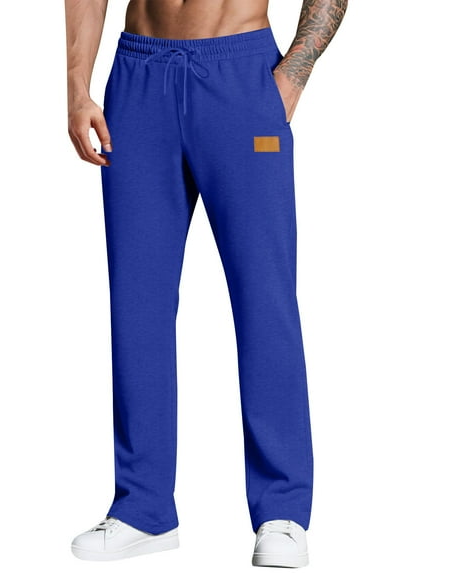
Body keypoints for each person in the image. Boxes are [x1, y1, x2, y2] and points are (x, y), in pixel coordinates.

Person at [64, 0, 347, 567]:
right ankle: (143, 508)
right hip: (138, 79)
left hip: (243, 77)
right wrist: (77, 88)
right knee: (137, 304)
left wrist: (291, 78)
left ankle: (282, 511)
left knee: (263, 299)